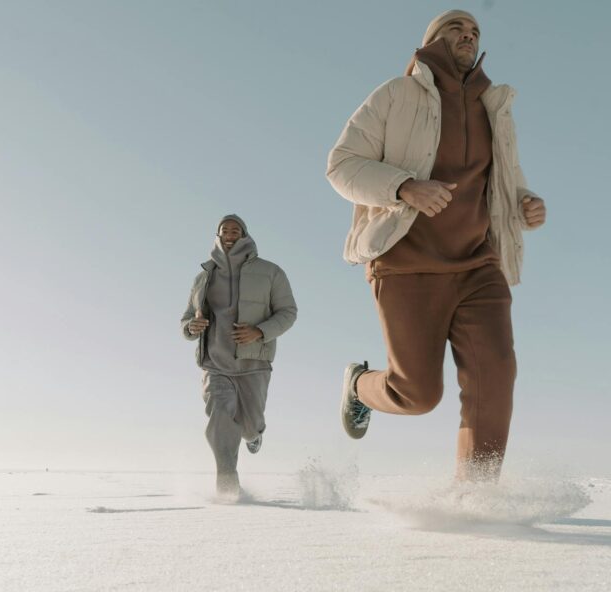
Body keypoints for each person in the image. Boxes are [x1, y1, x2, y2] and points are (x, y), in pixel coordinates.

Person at [326, 10, 547, 481]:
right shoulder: (396, 94)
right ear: (431, 40)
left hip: (478, 264)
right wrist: (404, 186)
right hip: (406, 263)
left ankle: (475, 500)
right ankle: (359, 387)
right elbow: (342, 165)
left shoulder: (494, 105)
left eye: (475, 32)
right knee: (417, 394)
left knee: (495, 377)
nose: (468, 35)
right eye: (456, 28)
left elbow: (506, 175)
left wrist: (525, 202)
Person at [180, 215, 297, 498]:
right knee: (220, 416)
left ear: (245, 235)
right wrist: (191, 327)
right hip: (215, 362)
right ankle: (228, 484)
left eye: (236, 230)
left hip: (253, 363)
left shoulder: (271, 272)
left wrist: (259, 331)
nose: (230, 234)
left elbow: (288, 312)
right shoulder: (203, 277)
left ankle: (254, 435)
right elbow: (187, 320)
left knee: (249, 424)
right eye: (225, 230)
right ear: (217, 236)